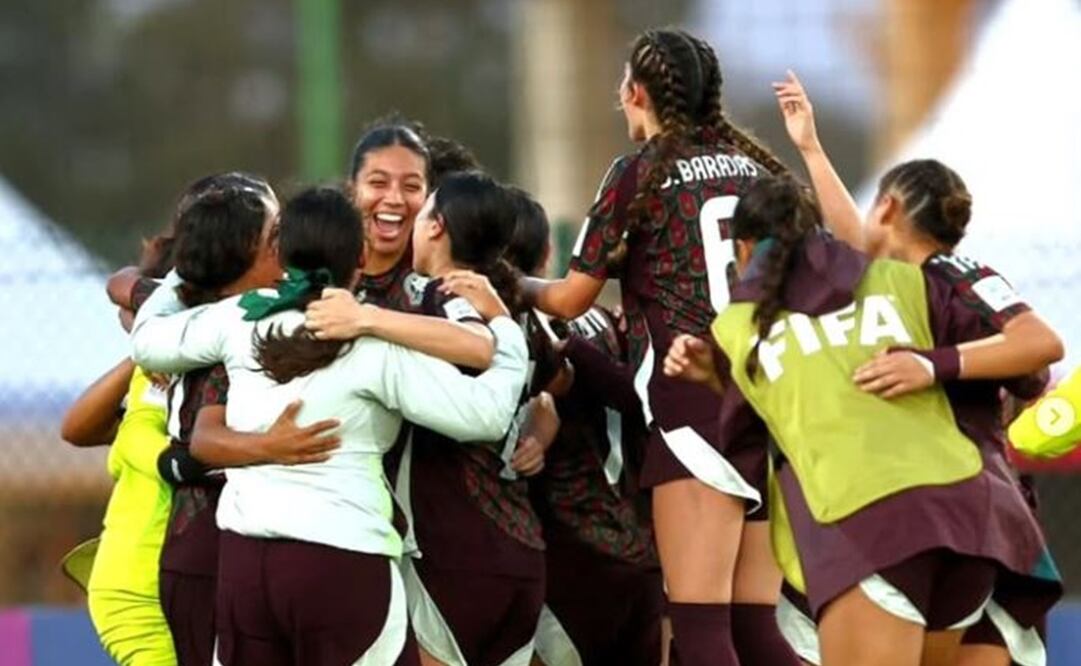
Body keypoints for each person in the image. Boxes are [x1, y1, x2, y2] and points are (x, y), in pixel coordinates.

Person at [665, 176, 1062, 666]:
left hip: (871, 529)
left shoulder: (737, 327)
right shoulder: (908, 281)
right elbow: (1031, 369)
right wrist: (932, 365)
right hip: (976, 524)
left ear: (743, 252)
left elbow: (763, 438)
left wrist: (713, 378)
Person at [130, 186, 528, 665]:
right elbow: (485, 416)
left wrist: (184, 266)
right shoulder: (372, 345)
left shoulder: (240, 318)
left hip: (243, 564)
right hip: (341, 561)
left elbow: (148, 342)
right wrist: (505, 329)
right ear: (360, 255)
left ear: (279, 251)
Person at [519, 28, 797, 665]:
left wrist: (514, 283)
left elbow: (569, 301)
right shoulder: (755, 170)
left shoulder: (639, 173)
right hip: (773, 404)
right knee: (757, 627)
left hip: (693, 409)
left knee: (699, 627)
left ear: (636, 92)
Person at [773, 71, 1065, 666]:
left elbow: (1042, 343)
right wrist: (810, 147)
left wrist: (931, 366)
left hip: (954, 519)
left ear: (889, 206)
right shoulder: (891, 290)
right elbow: (856, 243)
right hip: (962, 528)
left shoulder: (958, 278)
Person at [493, 188, 664, 666]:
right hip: (642, 557)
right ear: (549, 254)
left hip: (570, 567)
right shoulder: (607, 322)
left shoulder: (515, 334)